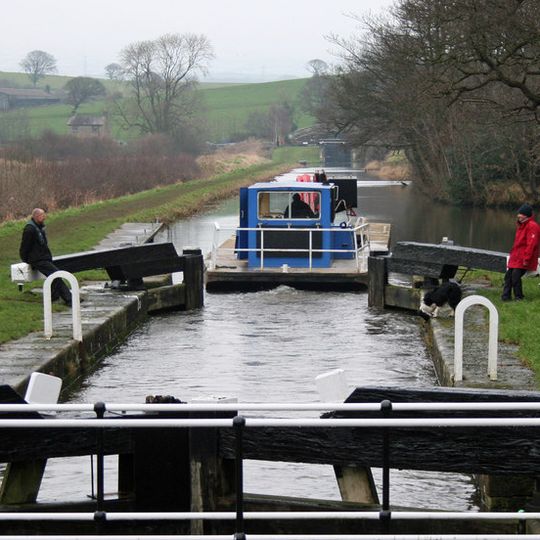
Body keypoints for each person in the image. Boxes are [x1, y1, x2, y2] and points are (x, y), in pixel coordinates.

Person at [19, 208, 73, 306]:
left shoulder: (39, 227)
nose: (44, 217)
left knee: (54, 276)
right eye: (42, 215)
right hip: (37, 259)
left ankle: (53, 297)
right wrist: (26, 259)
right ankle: (69, 300)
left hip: (43, 257)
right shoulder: (30, 229)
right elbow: (24, 246)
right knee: (56, 275)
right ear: (36, 216)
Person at [502, 203, 540, 301]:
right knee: (508, 277)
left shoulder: (532, 226)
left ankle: (519, 297)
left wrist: (526, 258)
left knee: (515, 277)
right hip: (516, 257)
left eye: (521, 214)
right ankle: (505, 297)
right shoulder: (522, 225)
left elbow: (531, 244)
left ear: (526, 215)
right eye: (519, 213)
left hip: (524, 258)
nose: (518, 215)